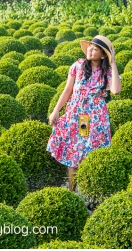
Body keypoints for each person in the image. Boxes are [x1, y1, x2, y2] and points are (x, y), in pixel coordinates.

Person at [47, 35, 120, 191]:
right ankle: (72, 191)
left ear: (102, 55)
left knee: (91, 154)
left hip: (95, 118)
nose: (90, 50)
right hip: (77, 116)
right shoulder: (78, 66)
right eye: (90, 47)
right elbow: (67, 90)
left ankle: (90, 190)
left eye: (95, 49)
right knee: (75, 153)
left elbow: (116, 90)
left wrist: (113, 63)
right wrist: (55, 111)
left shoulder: (106, 72)